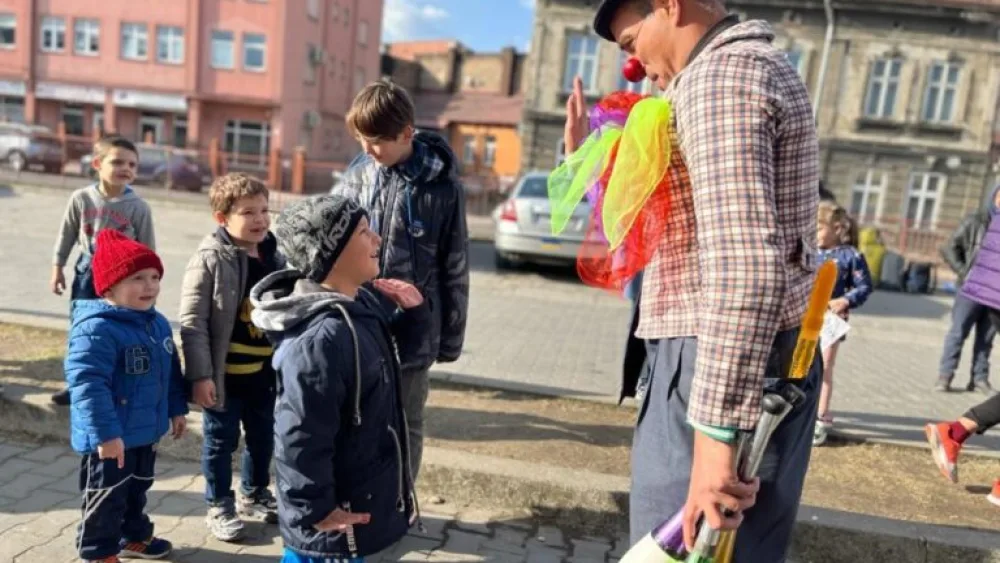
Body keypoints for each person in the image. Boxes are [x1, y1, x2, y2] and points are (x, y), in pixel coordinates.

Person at [585, 0, 822, 559]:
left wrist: (715, 443)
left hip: (715, 366)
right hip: (733, 362)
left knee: (680, 550)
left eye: (632, 42)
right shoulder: (737, 71)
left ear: (670, 5)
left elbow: (745, 266)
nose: (637, 66)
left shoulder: (719, 80)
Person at [249, 195, 425, 562]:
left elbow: (390, 363)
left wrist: (414, 317)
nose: (377, 239)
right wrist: (313, 508)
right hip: (329, 517)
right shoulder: (320, 339)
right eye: (364, 232)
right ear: (330, 252)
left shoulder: (359, 305)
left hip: (355, 494)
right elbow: (300, 433)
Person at [334, 79, 470, 480]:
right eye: (361, 139)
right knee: (355, 413)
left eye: (376, 141)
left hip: (414, 327)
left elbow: (455, 265)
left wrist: (449, 337)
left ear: (407, 133)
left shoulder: (443, 187)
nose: (367, 150)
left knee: (407, 417)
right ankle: (358, 493)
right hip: (359, 318)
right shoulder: (359, 172)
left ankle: (401, 498)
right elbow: (334, 241)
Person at [65, 229, 188, 563]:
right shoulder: (96, 328)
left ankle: (133, 536)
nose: (149, 286)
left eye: (154, 277)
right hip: (111, 438)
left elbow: (171, 373)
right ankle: (97, 550)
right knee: (106, 497)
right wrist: (106, 434)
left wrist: (177, 409)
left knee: (137, 489)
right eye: (137, 278)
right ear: (109, 286)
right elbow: (87, 385)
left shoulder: (157, 323)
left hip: (144, 432)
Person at [178, 173, 285, 541]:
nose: (260, 219)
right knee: (221, 441)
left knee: (262, 437)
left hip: (264, 374)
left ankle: (254, 493)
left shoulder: (276, 255)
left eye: (264, 210)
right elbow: (192, 322)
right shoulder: (209, 258)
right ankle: (219, 504)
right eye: (248, 212)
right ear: (222, 218)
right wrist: (200, 376)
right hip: (223, 377)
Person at [50, 135, 155, 407]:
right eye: (118, 161)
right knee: (82, 328)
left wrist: (147, 282)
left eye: (132, 164)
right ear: (97, 163)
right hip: (87, 269)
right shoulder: (81, 198)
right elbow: (67, 235)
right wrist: (57, 267)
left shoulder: (138, 207)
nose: (126, 168)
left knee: (120, 329)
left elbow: (148, 250)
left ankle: (118, 385)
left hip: (124, 277)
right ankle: (76, 386)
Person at [814, 202, 873, 446]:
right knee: (799, 364)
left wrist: (846, 300)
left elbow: (864, 286)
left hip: (831, 320)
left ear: (836, 228)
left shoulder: (851, 256)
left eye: (818, 228)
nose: (814, 233)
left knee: (825, 366)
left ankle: (820, 417)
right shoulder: (809, 251)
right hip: (804, 316)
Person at [934, 184, 1000, 395]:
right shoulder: (976, 220)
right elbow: (950, 247)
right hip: (970, 291)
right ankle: (946, 375)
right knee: (958, 332)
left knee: (986, 338)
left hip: (994, 293)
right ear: (994, 196)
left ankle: (979, 378)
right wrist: (965, 272)